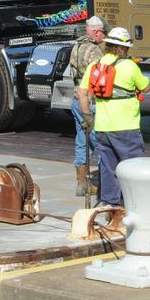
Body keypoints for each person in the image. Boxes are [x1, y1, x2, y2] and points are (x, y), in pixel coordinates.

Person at [76, 27, 150, 209]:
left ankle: (109, 203)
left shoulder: (96, 66)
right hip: (126, 127)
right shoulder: (129, 66)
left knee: (108, 167)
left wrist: (87, 117)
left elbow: (82, 93)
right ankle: (135, 203)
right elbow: (146, 87)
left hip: (103, 127)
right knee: (133, 167)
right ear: (123, 49)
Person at [69, 16, 106, 197]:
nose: (103, 37)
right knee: (101, 141)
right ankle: (106, 185)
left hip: (76, 99)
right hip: (90, 101)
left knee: (82, 141)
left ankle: (81, 184)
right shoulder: (95, 51)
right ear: (96, 32)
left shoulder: (76, 47)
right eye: (103, 33)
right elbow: (100, 78)